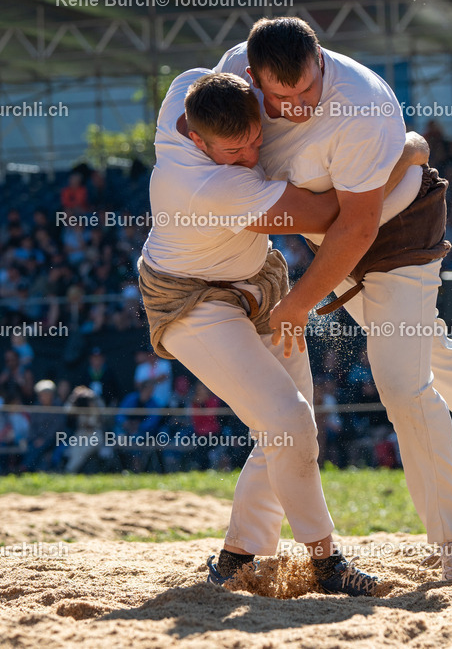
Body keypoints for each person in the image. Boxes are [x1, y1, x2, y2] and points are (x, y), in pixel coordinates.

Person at [215, 17, 452, 588]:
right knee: (421, 353)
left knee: (402, 381)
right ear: (255, 77)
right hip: (334, 237)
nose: (297, 106)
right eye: (281, 98)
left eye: (307, 90)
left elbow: (355, 229)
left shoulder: (361, 102)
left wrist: (298, 304)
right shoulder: (232, 76)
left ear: (321, 61)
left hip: (398, 233)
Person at [138, 69, 423, 596]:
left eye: (255, 141)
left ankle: (238, 557)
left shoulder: (189, 87)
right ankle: (326, 560)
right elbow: (335, 211)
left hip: (257, 279)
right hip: (191, 301)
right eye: (234, 151)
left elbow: (245, 61)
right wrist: (403, 153)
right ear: (194, 137)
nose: (250, 158)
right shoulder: (211, 183)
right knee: (289, 422)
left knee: (292, 431)